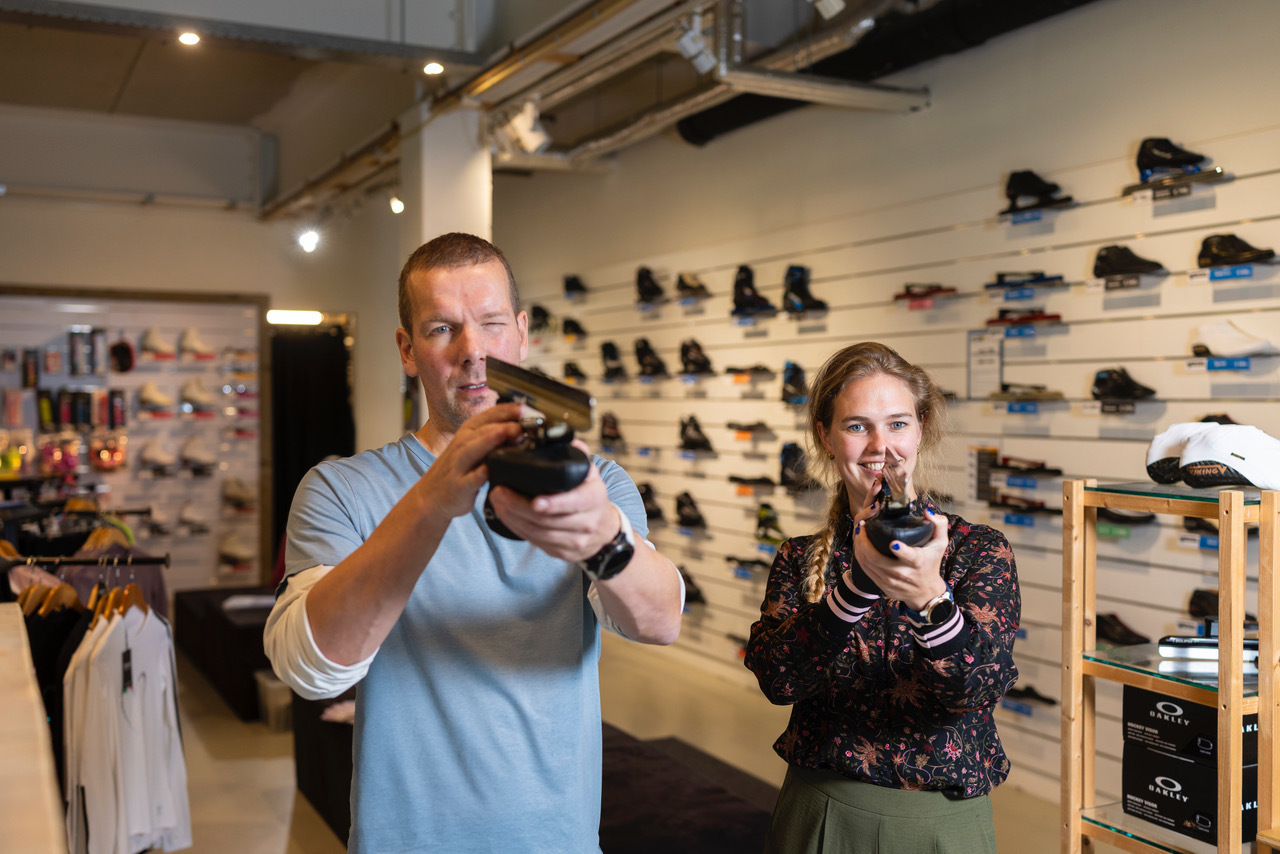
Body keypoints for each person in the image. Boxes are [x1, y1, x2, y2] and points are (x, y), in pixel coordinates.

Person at [264, 232, 684, 853]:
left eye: (491, 324)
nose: (473, 352)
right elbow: (309, 669)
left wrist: (600, 533)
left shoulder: (594, 482)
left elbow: (659, 620)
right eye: (441, 330)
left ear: (520, 332)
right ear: (407, 350)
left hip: (557, 840)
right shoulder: (341, 489)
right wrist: (431, 503)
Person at [744, 341, 1020, 854]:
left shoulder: (977, 551)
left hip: (939, 824)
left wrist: (929, 598)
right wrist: (852, 592)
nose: (881, 446)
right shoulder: (800, 559)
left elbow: (975, 690)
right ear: (825, 437)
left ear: (920, 430)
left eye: (897, 424)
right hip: (819, 811)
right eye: (857, 426)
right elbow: (778, 681)